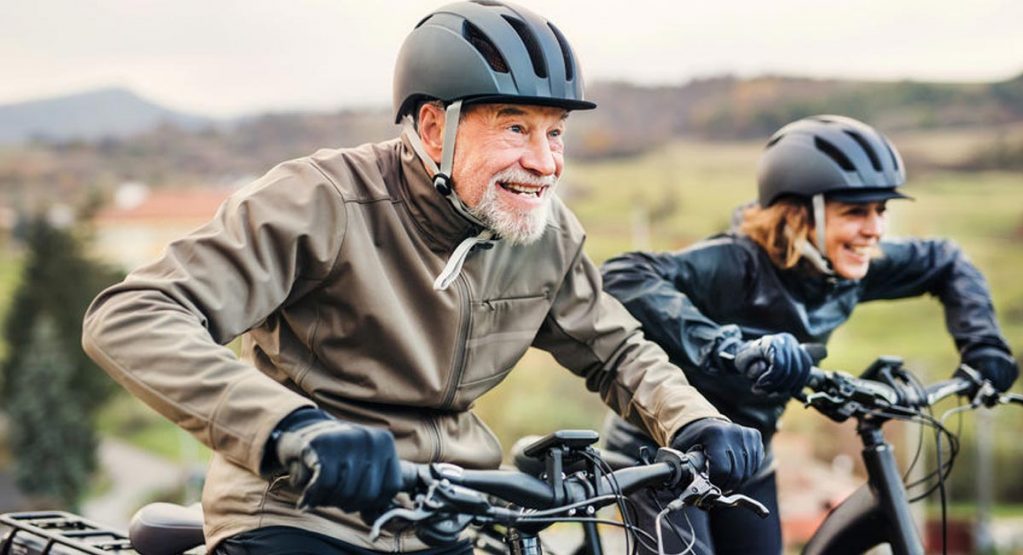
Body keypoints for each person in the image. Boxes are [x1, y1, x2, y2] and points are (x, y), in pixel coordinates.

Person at [81, 2, 764, 553]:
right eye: (516, 127)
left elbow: (619, 351)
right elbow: (132, 315)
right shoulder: (321, 201)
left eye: (555, 133)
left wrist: (695, 421)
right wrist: (292, 428)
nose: (545, 161)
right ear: (435, 125)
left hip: (451, 513)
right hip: (302, 511)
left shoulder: (543, 232)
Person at [600, 114, 1019, 554]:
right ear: (799, 214)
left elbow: (946, 260)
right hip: (665, 451)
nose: (875, 228)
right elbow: (623, 275)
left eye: (881, 210)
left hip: (747, 452)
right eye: (856, 212)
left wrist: (983, 344)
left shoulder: (848, 267)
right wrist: (731, 348)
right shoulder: (738, 265)